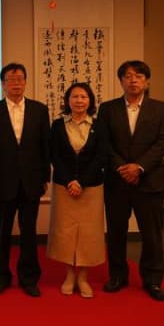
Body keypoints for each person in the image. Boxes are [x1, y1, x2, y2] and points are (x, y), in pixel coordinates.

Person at [98, 60, 164, 301]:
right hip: (117, 180)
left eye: (138, 76)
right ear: (121, 81)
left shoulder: (162, 109)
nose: (133, 80)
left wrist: (139, 167)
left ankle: (153, 280)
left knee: (152, 235)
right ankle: (117, 276)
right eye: (128, 76)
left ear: (146, 81)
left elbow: (162, 143)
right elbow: (104, 143)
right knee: (116, 232)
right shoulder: (107, 109)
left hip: (150, 180)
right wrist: (123, 167)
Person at [0, 63, 50, 297]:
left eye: (20, 79)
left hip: (31, 181)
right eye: (10, 80)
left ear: (25, 82)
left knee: (29, 234)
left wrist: (45, 177)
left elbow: (45, 146)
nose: (15, 84)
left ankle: (29, 279)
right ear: (3, 84)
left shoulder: (39, 110)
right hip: (1, 182)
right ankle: (1, 277)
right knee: (1, 234)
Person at [47, 83, 107, 298]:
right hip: (64, 187)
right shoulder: (57, 125)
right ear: (67, 100)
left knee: (88, 234)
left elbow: (101, 156)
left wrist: (81, 181)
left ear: (90, 101)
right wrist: (70, 181)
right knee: (66, 233)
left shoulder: (100, 126)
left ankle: (83, 278)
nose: (79, 101)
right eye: (75, 97)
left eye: (83, 97)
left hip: (91, 188)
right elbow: (54, 155)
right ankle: (69, 275)